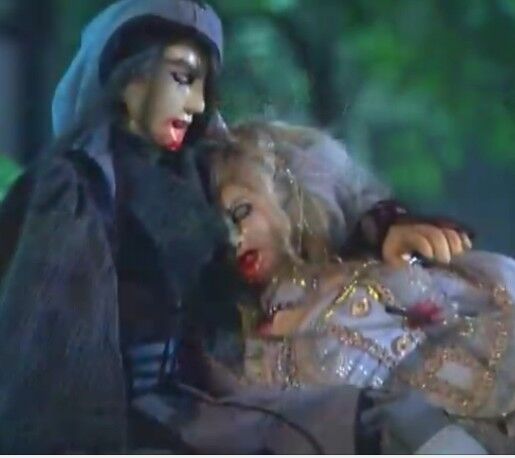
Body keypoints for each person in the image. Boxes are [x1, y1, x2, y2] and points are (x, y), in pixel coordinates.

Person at [0, 0, 476, 453]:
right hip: (118, 415)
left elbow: (299, 176)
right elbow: (44, 339)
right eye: (182, 78)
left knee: (386, 417)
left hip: (205, 389)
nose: (195, 102)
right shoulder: (77, 186)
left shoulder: (202, 163)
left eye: (203, 84)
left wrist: (382, 222)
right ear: (131, 75)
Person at [209, 120, 515, 453]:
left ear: (283, 195)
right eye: (216, 228)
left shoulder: (370, 280)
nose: (234, 238)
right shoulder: (244, 352)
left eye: (242, 212)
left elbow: (471, 349)